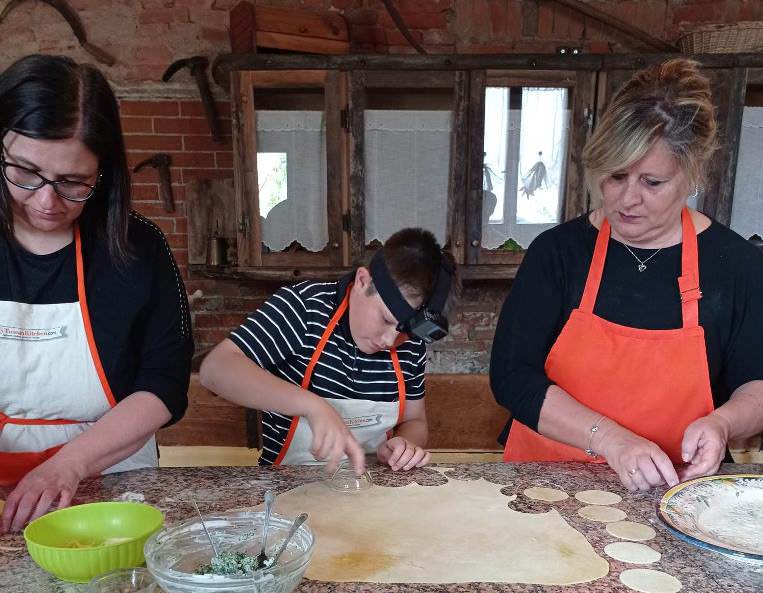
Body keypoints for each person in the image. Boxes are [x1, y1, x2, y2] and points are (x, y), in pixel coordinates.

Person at [490, 59, 763, 493]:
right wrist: (612, 440)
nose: (627, 199)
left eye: (652, 182)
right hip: (545, 480)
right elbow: (511, 378)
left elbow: (756, 383)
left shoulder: (736, 265)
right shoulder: (558, 253)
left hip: (671, 489)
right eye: (616, 176)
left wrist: (723, 424)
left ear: (693, 174)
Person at [0, 55, 193, 531]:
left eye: (72, 182)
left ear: (102, 173)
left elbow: (164, 385)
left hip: (113, 473)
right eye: (24, 172)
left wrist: (68, 464)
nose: (46, 201)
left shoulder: (137, 247)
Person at [200, 228, 455, 473]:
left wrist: (404, 446)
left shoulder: (410, 344)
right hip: (287, 487)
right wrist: (314, 406)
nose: (390, 340)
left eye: (404, 333)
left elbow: (415, 421)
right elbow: (217, 368)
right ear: (363, 281)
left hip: (370, 492)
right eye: (387, 320)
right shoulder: (304, 309)